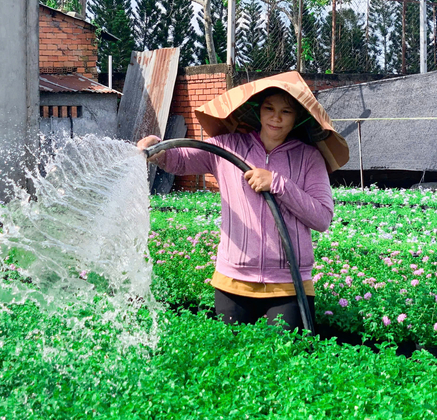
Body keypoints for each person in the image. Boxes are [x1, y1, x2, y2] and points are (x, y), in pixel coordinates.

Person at [137, 87, 334, 331]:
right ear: (257, 111)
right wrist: (158, 151)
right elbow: (181, 158)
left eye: (286, 111)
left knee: (288, 360)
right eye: (269, 109)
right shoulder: (228, 147)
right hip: (233, 282)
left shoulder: (309, 158)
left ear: (298, 118)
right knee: (231, 361)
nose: (276, 118)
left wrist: (278, 184)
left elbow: (322, 217)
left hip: (290, 284)